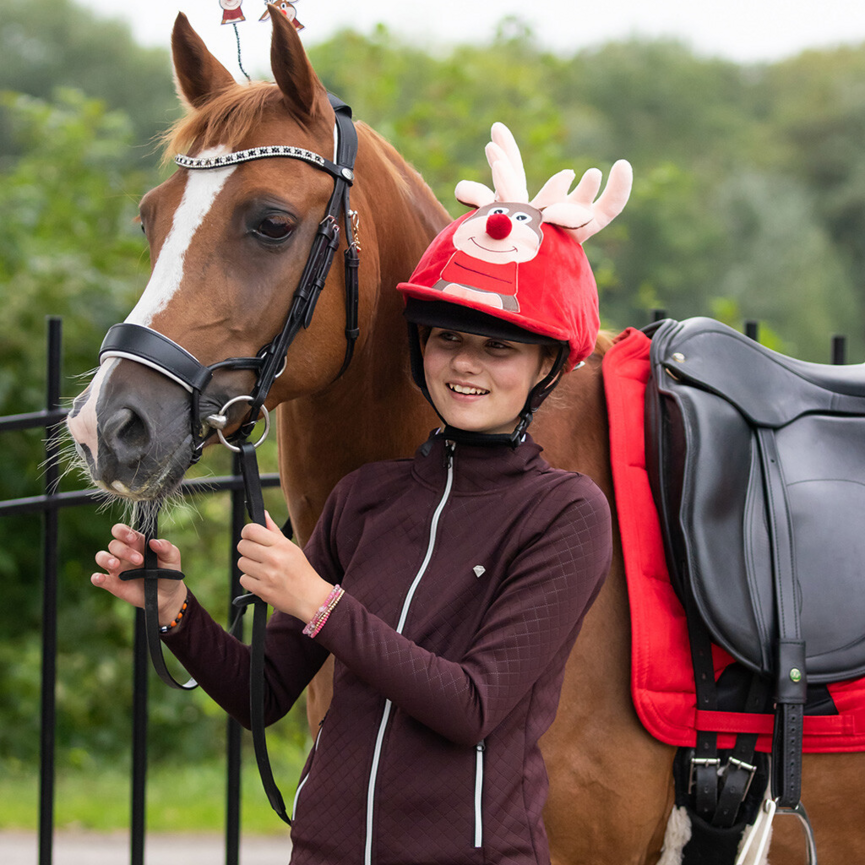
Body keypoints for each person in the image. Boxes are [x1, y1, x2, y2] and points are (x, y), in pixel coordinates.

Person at [92, 124, 631, 865]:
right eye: (446, 337)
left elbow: (471, 706)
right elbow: (265, 692)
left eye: (497, 346)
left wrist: (317, 601)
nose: (464, 364)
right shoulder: (365, 498)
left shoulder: (566, 513)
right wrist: (176, 610)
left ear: (545, 364)